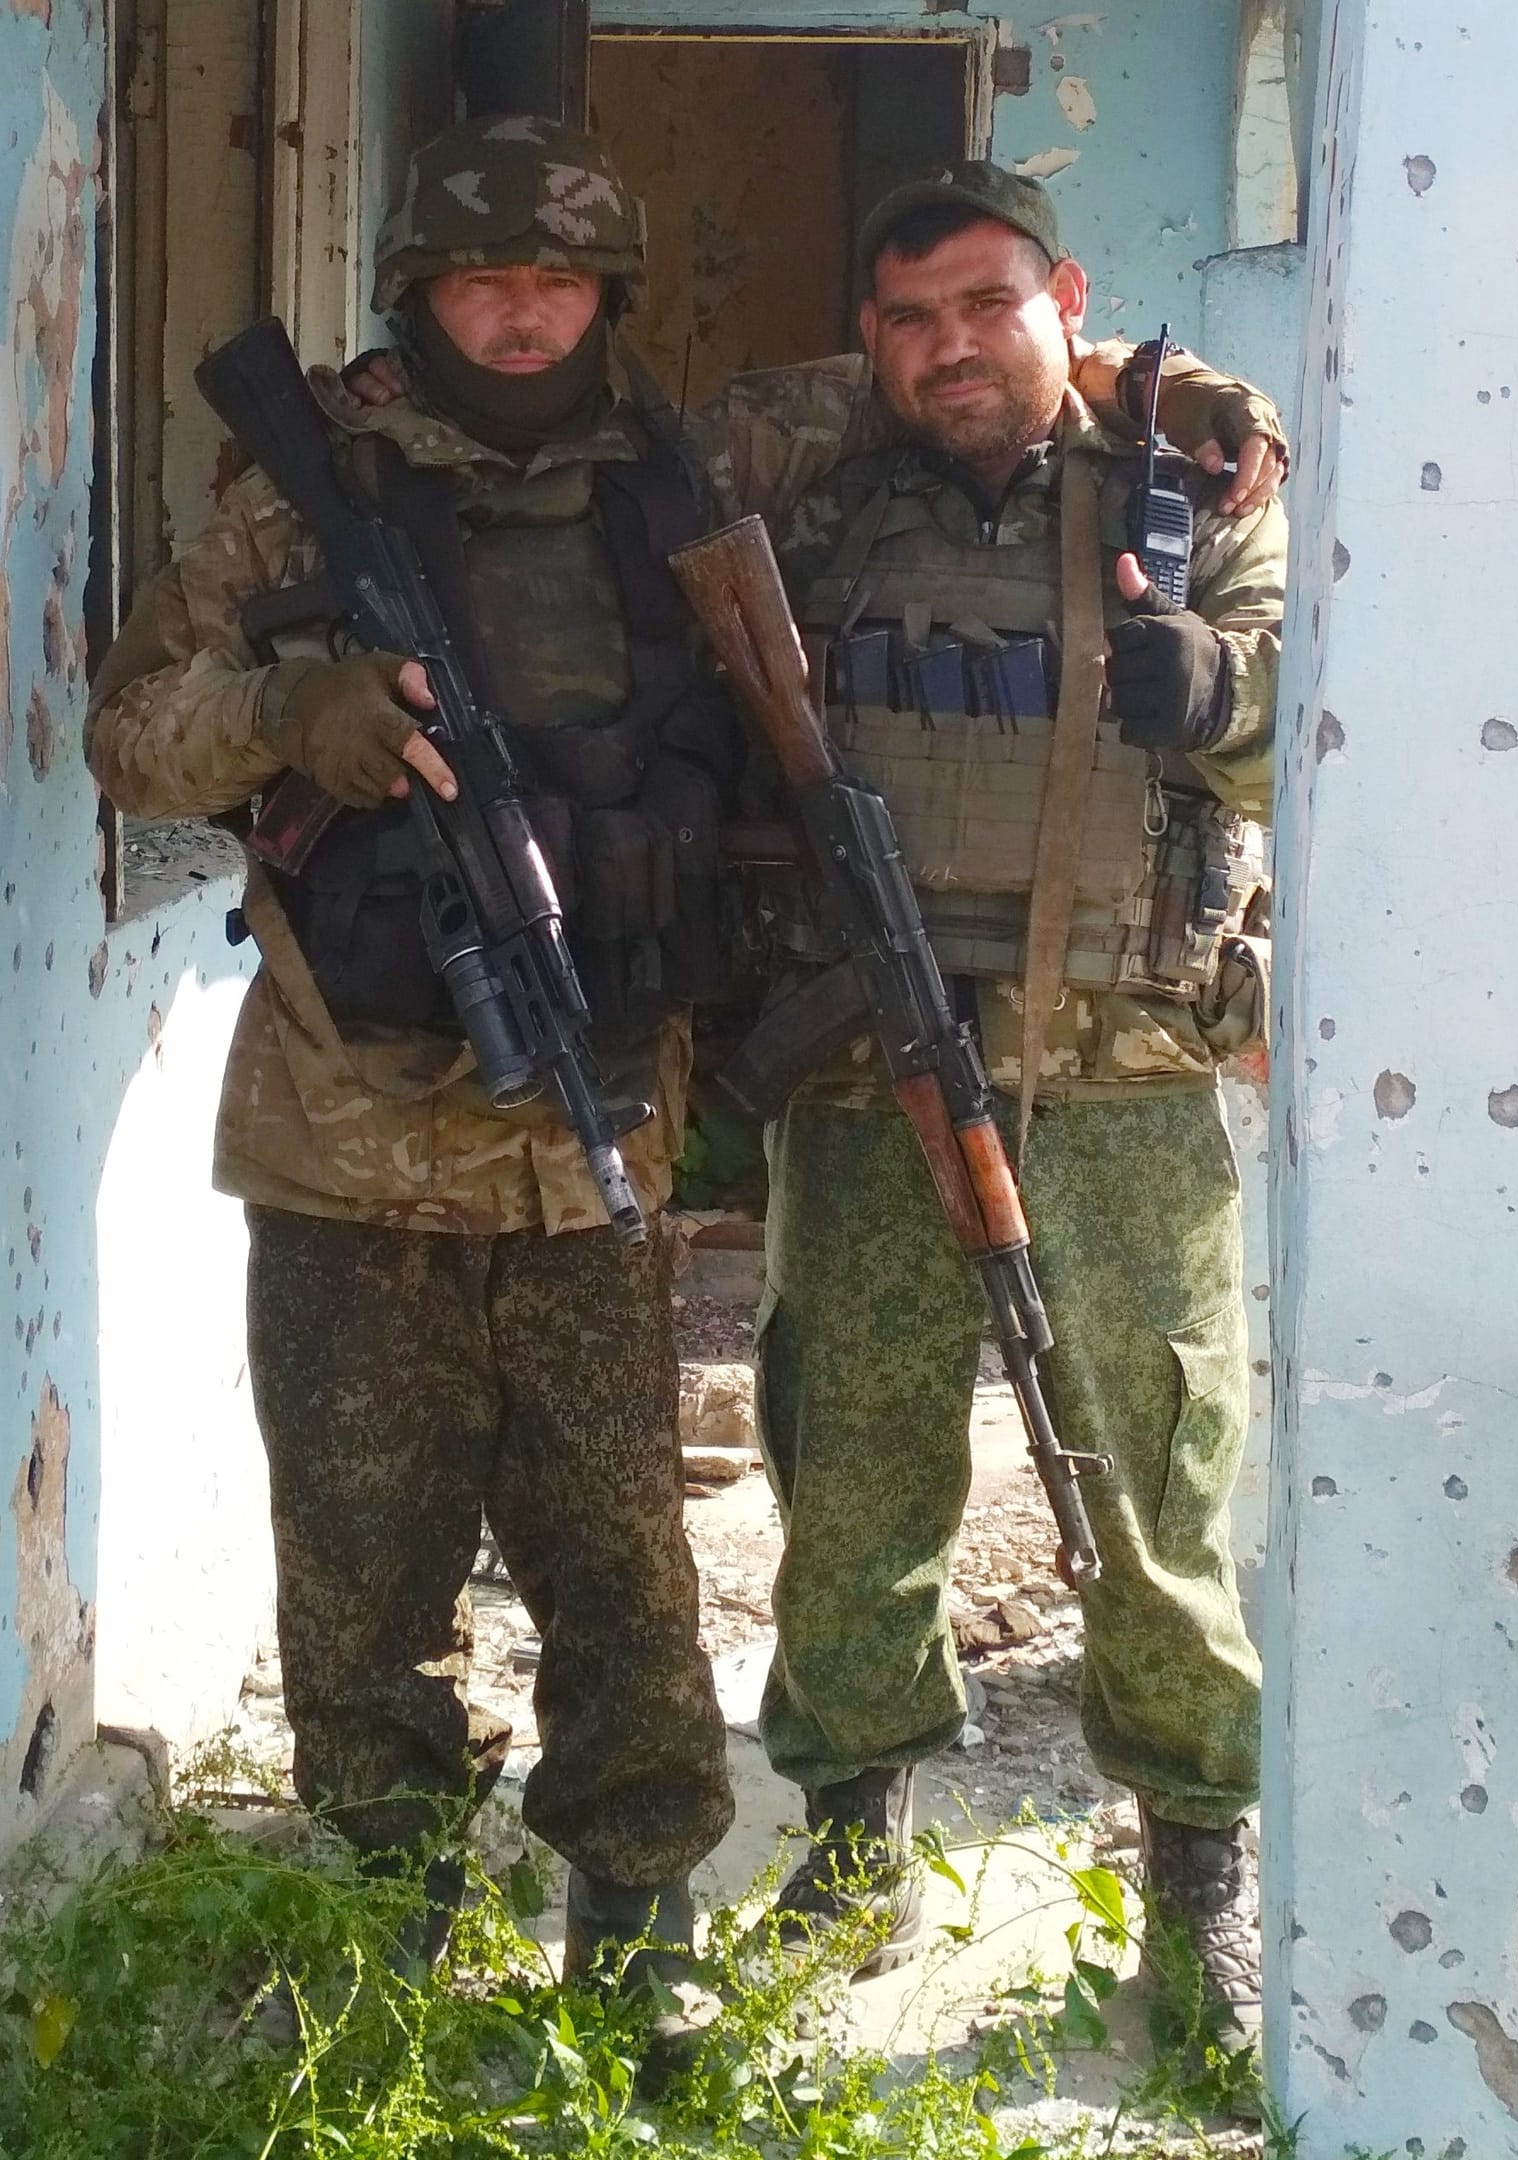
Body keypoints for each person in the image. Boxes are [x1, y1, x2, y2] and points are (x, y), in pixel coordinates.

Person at [85, 117, 744, 2020]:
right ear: (416, 295)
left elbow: (954, 391)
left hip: (591, 1128)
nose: (521, 319)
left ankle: (638, 1915)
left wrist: (1180, 401)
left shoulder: (681, 477)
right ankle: (385, 1915)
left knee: (619, 1552)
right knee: (363, 1560)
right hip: (348, 1134)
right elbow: (129, 735)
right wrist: (294, 706)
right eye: (481, 283)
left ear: (608, 298)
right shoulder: (302, 498)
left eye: (558, 284)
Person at [718, 164, 1285, 2050]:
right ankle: (853, 1840)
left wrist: (1222, 692)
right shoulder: (822, 493)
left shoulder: (1198, 499)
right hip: (871, 1064)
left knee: (1149, 1484)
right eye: (908, 320)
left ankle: (1198, 1867)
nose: (948, 348)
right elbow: (671, 456)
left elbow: (1335, 721)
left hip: (1120, 1075)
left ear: (1071, 299)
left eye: (990, 306)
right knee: (849, 1463)